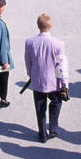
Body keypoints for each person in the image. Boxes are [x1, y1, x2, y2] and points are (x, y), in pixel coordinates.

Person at [24, 12, 69, 143]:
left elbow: (28, 61)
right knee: (56, 103)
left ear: (38, 25)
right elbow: (62, 65)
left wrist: (30, 74)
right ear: (51, 26)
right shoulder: (59, 44)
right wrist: (64, 83)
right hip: (54, 80)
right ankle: (53, 128)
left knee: (40, 108)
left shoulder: (30, 42)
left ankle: (42, 132)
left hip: (38, 80)